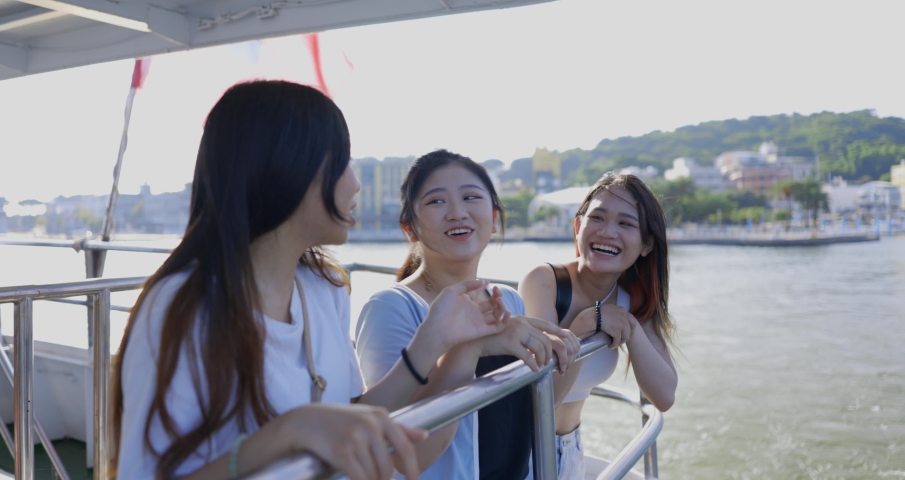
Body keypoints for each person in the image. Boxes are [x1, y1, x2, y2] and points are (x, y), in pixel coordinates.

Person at [109, 82, 515, 480]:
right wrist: (286, 433)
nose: (355, 182)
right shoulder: (182, 305)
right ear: (287, 168)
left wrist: (435, 339)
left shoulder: (325, 288)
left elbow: (353, 415)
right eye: (341, 162)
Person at [355, 150, 580, 480]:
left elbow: (527, 413)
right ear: (409, 227)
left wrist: (570, 343)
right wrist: (469, 348)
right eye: (436, 201)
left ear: (494, 217)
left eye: (471, 197)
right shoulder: (392, 307)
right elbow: (399, 452)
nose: (457, 213)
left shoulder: (509, 301)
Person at [519, 172, 678, 479]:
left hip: (571, 449)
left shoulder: (633, 298)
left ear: (646, 244)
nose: (607, 232)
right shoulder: (544, 282)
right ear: (577, 227)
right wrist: (583, 327)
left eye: (625, 224)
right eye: (597, 218)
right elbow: (543, 401)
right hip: (522, 452)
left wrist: (631, 325)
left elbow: (664, 396)